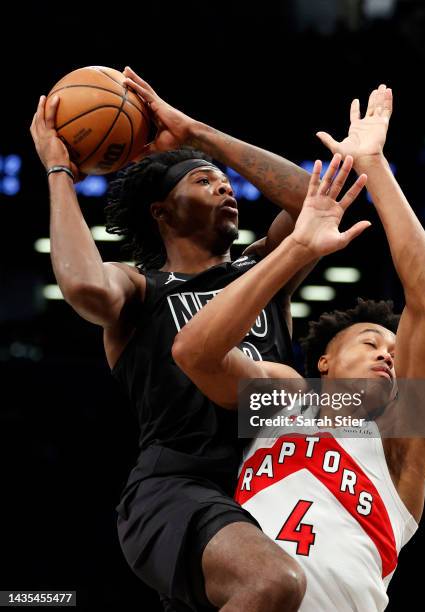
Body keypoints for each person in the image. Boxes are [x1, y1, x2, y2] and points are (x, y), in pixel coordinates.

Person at [28, 66, 334, 611]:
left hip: (271, 483)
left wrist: (198, 134)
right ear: (162, 212)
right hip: (178, 487)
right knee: (272, 583)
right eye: (202, 179)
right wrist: (58, 169)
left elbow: (314, 202)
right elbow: (79, 283)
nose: (223, 186)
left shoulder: (262, 273)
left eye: (224, 181)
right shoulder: (140, 290)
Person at [172, 85, 425, 611]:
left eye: (394, 347)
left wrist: (374, 167)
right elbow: (196, 355)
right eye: (371, 340)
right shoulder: (275, 403)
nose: (388, 353)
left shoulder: (397, 443)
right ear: (323, 362)